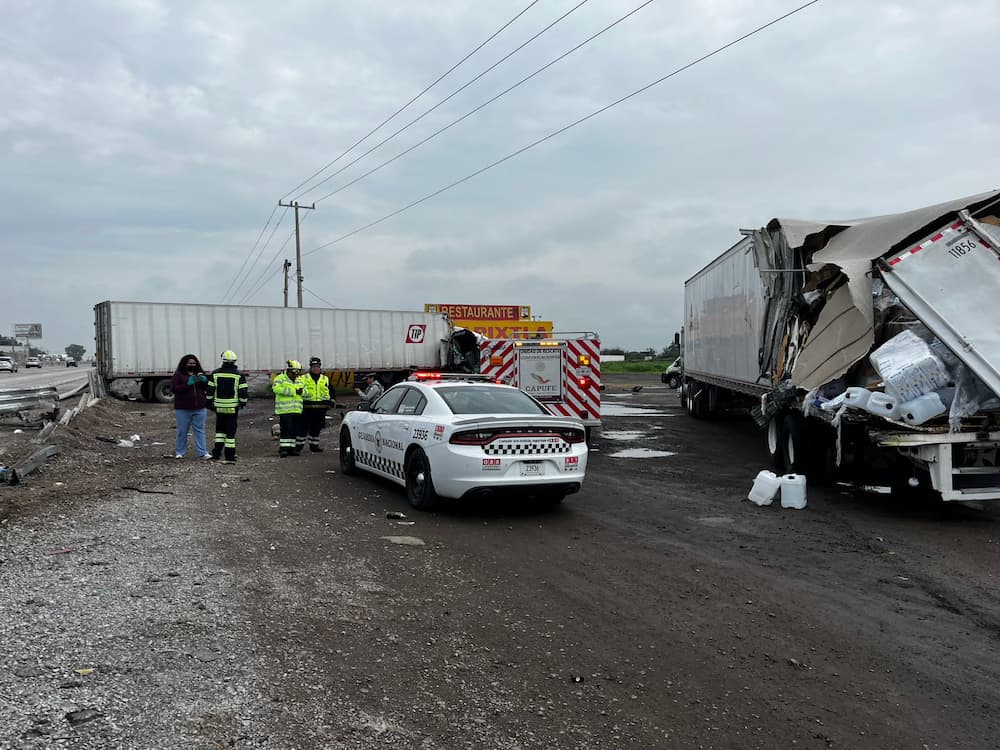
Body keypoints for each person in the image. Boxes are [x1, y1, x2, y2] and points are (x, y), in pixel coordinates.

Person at [206, 350, 249, 463]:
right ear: (234, 361)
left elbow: (210, 391)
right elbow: (243, 391)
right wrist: (242, 403)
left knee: (220, 431)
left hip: (219, 407)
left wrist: (209, 403)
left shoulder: (215, 373)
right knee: (230, 432)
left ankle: (216, 454)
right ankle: (230, 455)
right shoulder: (239, 375)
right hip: (232, 408)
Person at [170, 354, 211, 460]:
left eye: (194, 363)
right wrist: (188, 384)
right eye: (190, 363)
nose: (192, 365)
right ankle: (180, 452)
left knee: (200, 430)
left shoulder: (200, 374)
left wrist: (204, 381)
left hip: (200, 407)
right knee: (182, 431)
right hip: (183, 408)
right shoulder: (178, 375)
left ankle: (202, 452)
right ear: (185, 364)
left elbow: (208, 388)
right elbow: (174, 389)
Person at [299, 356, 332, 453]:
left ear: (320, 367)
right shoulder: (303, 378)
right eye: (314, 366)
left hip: (321, 408)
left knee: (317, 428)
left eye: (317, 366)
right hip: (307, 407)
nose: (316, 368)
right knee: (303, 428)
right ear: (310, 367)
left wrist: (331, 401)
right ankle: (298, 447)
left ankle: (314, 446)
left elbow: (331, 391)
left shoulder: (325, 378)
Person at [273, 359, 304, 457]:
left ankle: (292, 448)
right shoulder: (280, 378)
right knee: (286, 429)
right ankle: (283, 449)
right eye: (294, 373)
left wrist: (302, 392)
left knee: (294, 430)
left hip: (296, 409)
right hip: (285, 410)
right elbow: (277, 389)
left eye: (297, 373)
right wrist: (294, 391)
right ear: (289, 371)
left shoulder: (300, 379)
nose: (295, 375)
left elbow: (306, 391)